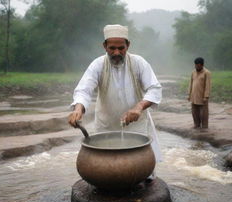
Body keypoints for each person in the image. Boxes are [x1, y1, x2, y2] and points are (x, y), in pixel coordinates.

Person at [68, 24, 162, 181]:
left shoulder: (139, 63)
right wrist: (78, 109)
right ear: (104, 46)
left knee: (140, 168)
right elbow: (84, 90)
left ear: (128, 46)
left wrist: (139, 107)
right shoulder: (97, 65)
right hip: (106, 124)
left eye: (121, 48)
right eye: (112, 48)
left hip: (135, 124)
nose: (116, 52)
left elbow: (155, 89)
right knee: (104, 167)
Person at [188, 57, 211, 129]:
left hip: (202, 96)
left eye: (198, 65)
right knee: (194, 112)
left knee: (203, 113)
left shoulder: (207, 73)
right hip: (194, 96)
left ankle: (204, 126)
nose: (196, 67)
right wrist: (189, 94)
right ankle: (196, 125)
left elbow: (208, 85)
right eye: (195, 65)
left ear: (202, 65)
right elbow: (191, 83)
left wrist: (206, 96)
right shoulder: (193, 72)